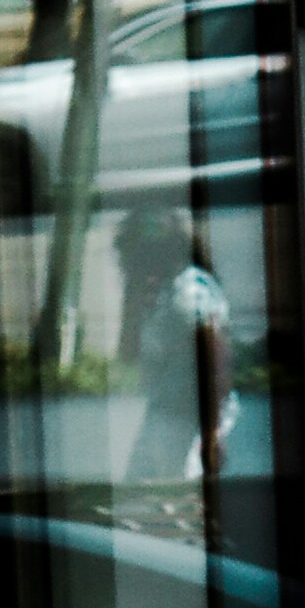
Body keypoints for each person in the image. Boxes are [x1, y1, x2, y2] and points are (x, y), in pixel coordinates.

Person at [116, 207, 236, 485]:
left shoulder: (189, 294)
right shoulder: (159, 292)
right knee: (141, 488)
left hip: (192, 416)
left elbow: (216, 360)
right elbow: (128, 351)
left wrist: (212, 432)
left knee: (175, 490)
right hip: (165, 408)